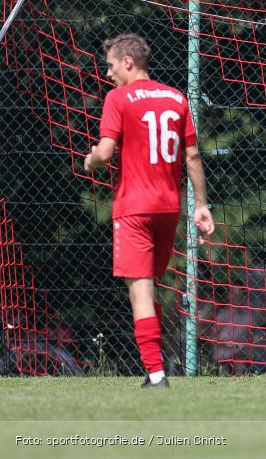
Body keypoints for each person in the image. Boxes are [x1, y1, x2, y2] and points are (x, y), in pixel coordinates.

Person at [83, 33, 214, 388]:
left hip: (134, 209)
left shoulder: (118, 98)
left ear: (128, 62)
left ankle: (156, 374)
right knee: (149, 285)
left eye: (111, 65)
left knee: (139, 290)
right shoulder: (176, 97)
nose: (108, 73)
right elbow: (192, 157)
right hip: (169, 208)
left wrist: (90, 160)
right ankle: (154, 368)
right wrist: (202, 205)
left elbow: (105, 153)